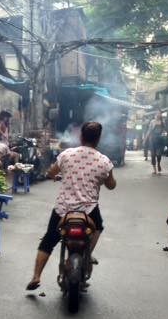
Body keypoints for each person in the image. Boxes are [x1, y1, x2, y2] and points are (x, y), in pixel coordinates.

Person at [26, 121, 116, 291]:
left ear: (81, 136)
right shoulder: (104, 161)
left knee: (49, 239)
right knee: (99, 226)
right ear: (98, 139)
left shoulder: (66, 155)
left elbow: (51, 172)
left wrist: (54, 175)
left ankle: (36, 276)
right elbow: (111, 185)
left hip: (63, 209)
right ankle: (87, 254)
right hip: (88, 211)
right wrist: (104, 178)